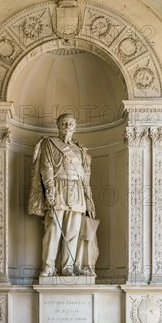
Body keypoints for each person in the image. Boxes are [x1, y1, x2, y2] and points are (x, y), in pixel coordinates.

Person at [28, 113, 97, 277]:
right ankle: (49, 266)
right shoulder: (50, 144)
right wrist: (50, 189)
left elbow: (85, 175)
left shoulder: (80, 150)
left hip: (77, 190)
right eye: (64, 123)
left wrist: (88, 197)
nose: (67, 126)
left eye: (71, 123)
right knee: (53, 229)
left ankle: (67, 267)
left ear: (75, 127)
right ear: (58, 125)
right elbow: (46, 167)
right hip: (58, 187)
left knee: (73, 231)